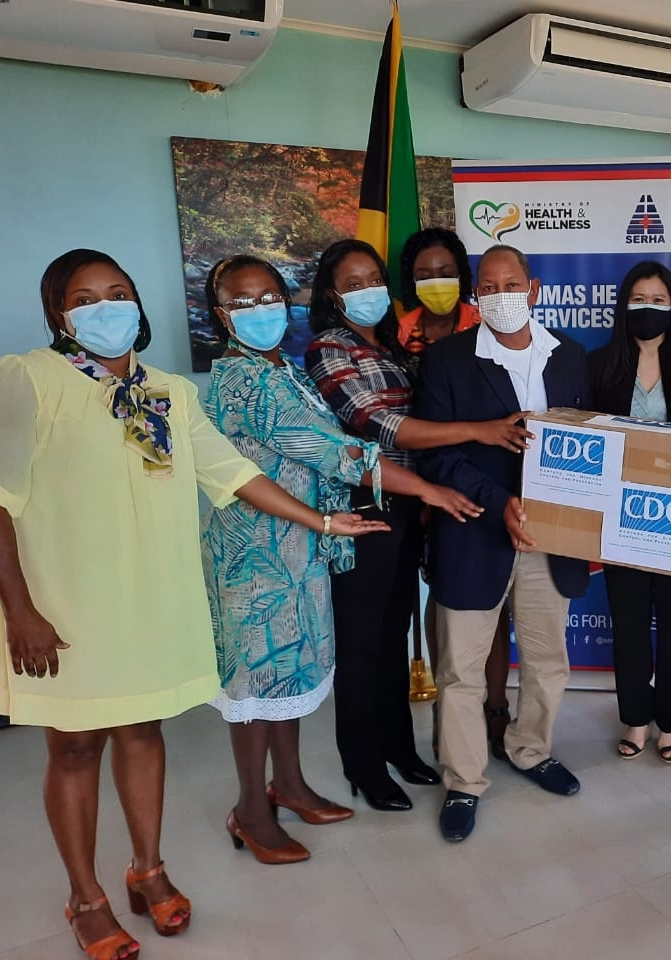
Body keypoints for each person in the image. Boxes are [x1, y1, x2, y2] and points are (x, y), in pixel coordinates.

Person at [0, 249, 381, 960]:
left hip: (150, 598)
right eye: (84, 297)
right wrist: (21, 610)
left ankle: (147, 869)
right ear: (58, 313)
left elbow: (233, 472)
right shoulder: (24, 379)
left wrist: (326, 522)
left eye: (117, 291)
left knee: (143, 735)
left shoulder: (168, 393)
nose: (105, 307)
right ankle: (85, 897)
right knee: (76, 747)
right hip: (65, 608)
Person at [200, 254, 480, 863]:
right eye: (243, 302)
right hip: (256, 554)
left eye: (270, 295)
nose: (261, 310)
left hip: (304, 548)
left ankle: (290, 785)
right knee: (255, 684)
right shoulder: (243, 379)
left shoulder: (284, 371)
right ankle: (251, 810)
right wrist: (429, 488)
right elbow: (339, 451)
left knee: (292, 676)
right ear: (222, 314)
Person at [305, 238, 531, 813]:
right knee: (362, 643)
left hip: (408, 507)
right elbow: (381, 427)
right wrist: (479, 431)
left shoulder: (386, 346)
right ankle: (364, 766)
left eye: (373, 280)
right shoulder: (331, 349)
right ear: (333, 295)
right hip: (363, 506)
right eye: (353, 284)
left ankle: (399, 749)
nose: (367, 292)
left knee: (392, 634)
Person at [416, 243, 591, 842]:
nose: (500, 296)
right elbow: (437, 451)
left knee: (546, 661)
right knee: (461, 670)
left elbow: (592, 446)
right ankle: (463, 780)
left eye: (510, 284)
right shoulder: (446, 361)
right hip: (474, 531)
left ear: (533, 288)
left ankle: (530, 748)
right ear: (475, 297)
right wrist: (500, 505)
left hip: (552, 535)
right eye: (487, 287)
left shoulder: (570, 357)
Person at [586, 260, 671, 764]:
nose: (648, 308)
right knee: (628, 619)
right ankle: (636, 718)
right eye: (638, 299)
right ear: (624, 306)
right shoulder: (600, 365)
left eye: (658, 300)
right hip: (619, 516)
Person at [398, 228, 513, 757]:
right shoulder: (393, 332)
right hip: (409, 487)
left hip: (477, 494)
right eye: (424, 273)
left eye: (446, 271)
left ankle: (495, 708)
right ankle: (453, 716)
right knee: (449, 606)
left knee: (491, 609)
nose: (435, 281)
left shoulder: (488, 324)